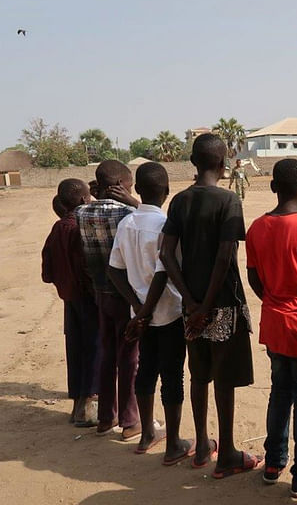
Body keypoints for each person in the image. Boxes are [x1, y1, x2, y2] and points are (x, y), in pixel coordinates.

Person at [159, 133, 261, 478]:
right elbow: (224, 257)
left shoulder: (179, 201)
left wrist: (190, 301)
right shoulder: (229, 200)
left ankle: (202, 445)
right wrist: (205, 305)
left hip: (191, 305)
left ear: (193, 163)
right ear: (223, 163)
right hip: (222, 305)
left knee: (198, 374)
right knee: (224, 378)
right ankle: (228, 451)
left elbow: (166, 254)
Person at [246, 158, 297, 497]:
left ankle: (273, 461)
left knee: (279, 392)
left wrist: (274, 298)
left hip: (275, 323)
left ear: (272, 187)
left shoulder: (256, 227)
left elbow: (253, 276)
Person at [107, 162, 194, 464]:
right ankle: (173, 444)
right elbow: (163, 271)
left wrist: (137, 309)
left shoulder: (127, 224)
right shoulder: (164, 225)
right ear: (168, 192)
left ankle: (147, 433)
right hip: (167, 313)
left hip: (142, 318)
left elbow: (114, 270)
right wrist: (144, 311)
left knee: (146, 371)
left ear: (138, 191)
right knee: (172, 375)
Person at [75, 161, 142, 440]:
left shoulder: (81, 212)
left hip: (100, 293)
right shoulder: (129, 213)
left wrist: (95, 194)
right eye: (128, 185)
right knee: (129, 357)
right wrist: (135, 202)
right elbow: (153, 219)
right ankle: (129, 421)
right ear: (122, 187)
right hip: (126, 295)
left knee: (107, 354)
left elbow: (85, 204)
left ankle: (106, 417)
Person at [42, 179, 98, 427]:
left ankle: (77, 403)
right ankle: (88, 405)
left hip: (69, 298)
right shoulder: (79, 229)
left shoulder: (57, 229)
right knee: (93, 348)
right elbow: (87, 267)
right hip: (87, 298)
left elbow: (47, 273)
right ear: (83, 200)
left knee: (75, 348)